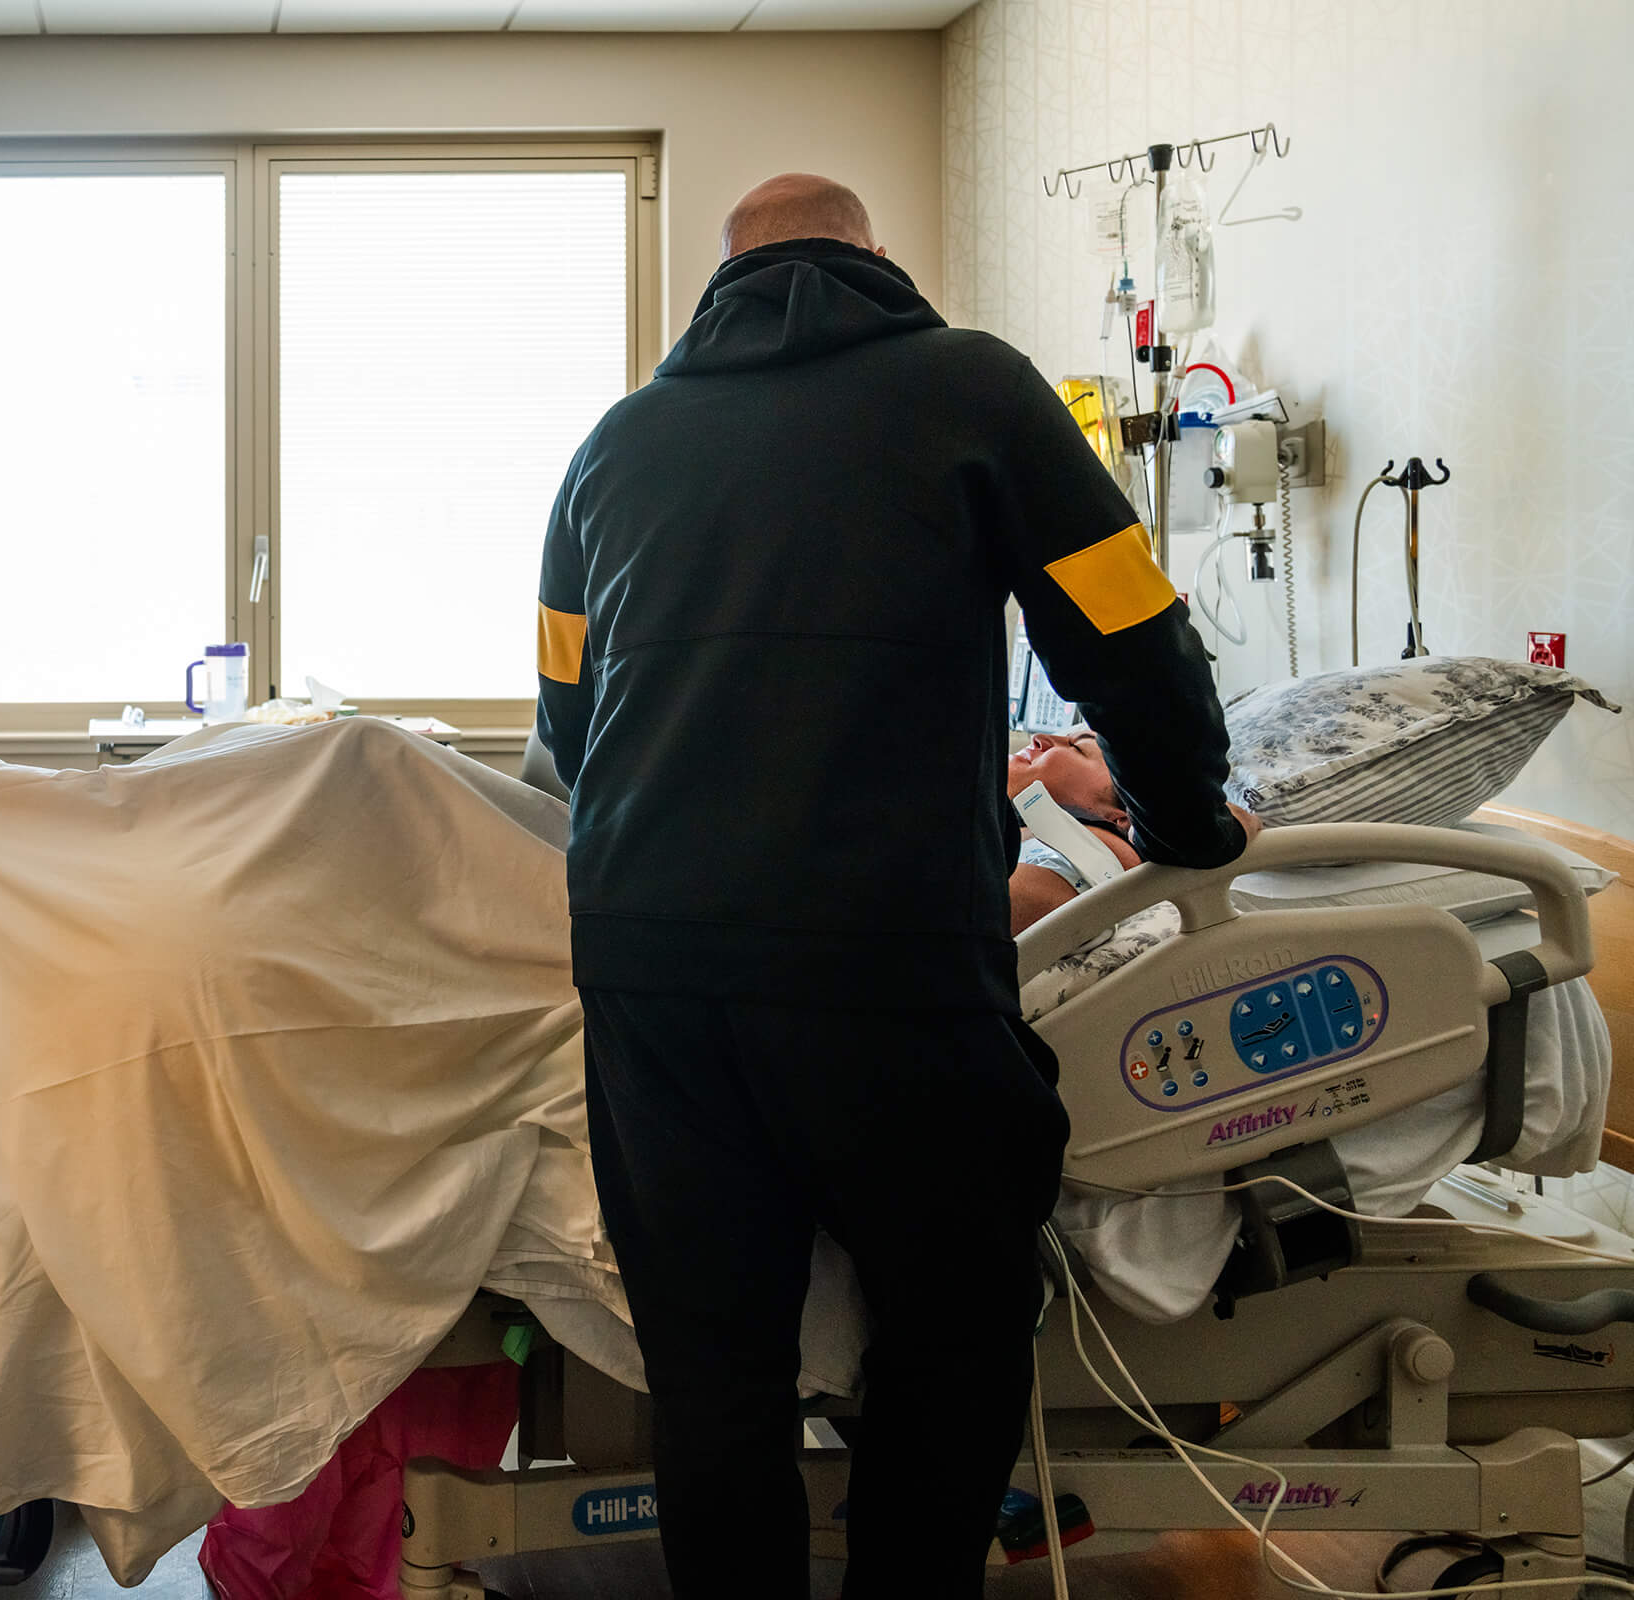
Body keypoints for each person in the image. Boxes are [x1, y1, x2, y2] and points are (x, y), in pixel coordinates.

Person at [534, 174, 1260, 1598]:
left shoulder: (613, 446)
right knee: (957, 1324)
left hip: (650, 965)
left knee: (713, 1368)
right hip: (882, 962)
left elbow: (567, 724)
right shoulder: (970, 389)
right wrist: (1187, 823)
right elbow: (1133, 638)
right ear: (877, 260)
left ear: (719, 276)